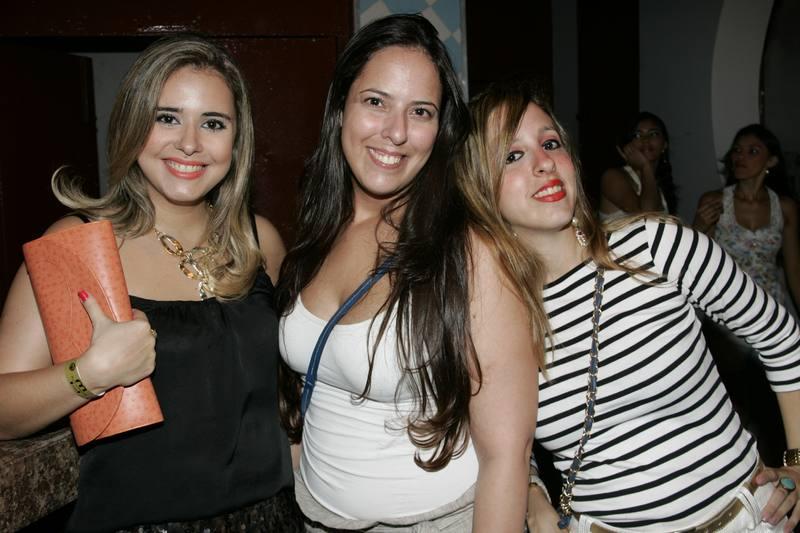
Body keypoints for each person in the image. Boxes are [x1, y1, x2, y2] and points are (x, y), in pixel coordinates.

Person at [459, 81, 800, 532]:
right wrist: (533, 494)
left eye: (550, 143)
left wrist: (799, 460)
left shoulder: (657, 246)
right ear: (479, 187)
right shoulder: (494, 315)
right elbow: (500, 438)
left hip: (742, 519)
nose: (543, 162)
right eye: (512, 155)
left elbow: (782, 339)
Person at [0, 36, 302, 532]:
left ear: (236, 141)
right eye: (167, 118)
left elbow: (286, 395)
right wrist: (89, 374)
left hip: (272, 519)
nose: (190, 143)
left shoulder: (259, 241)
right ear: (133, 123)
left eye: (213, 123)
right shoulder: (76, 245)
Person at [277, 14, 541, 532]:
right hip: (316, 516)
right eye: (376, 102)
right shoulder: (318, 227)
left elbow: (507, 456)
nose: (396, 133)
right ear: (341, 107)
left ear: (440, 129)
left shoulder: (471, 252)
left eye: (420, 111)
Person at [693, 124, 800, 310]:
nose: (741, 157)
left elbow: (795, 270)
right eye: (737, 150)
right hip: (726, 306)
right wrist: (698, 227)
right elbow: (697, 261)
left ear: (771, 161)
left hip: (771, 306)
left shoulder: (784, 207)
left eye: (753, 151)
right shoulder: (715, 201)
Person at [598, 111, 677, 221]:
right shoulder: (612, 177)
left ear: (664, 145)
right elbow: (648, 218)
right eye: (637, 135)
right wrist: (646, 167)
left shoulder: (658, 186)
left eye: (653, 134)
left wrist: (700, 221)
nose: (646, 140)